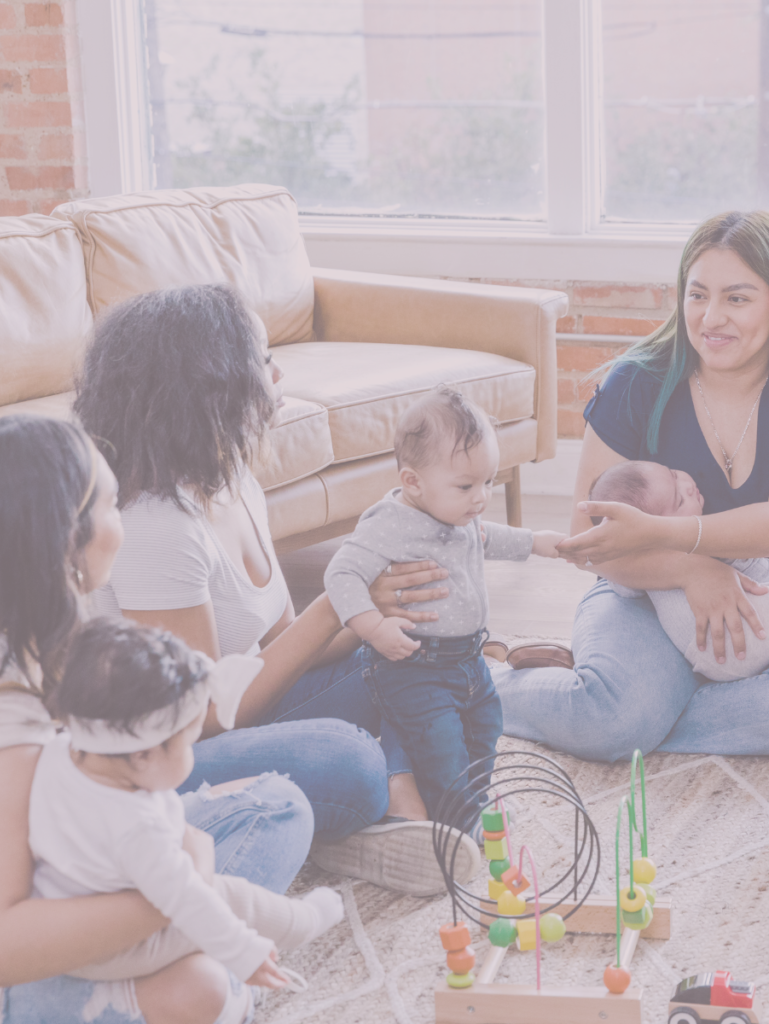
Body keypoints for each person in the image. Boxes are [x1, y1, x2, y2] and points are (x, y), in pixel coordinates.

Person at [76, 284, 481, 895]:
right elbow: (202, 719)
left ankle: (383, 816)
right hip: (163, 760)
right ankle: (354, 811)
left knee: (424, 652)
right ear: (212, 384)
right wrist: (332, 607)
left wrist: (372, 607)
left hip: (249, 717)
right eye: (263, 358)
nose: (279, 370)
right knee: (349, 761)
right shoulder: (155, 524)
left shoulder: (233, 480)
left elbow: (278, 647)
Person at [0, 415, 314, 1024]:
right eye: (112, 503)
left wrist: (180, 862)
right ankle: (222, 957)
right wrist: (173, 892)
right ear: (65, 539)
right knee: (200, 988)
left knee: (276, 805)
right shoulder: (0, 730)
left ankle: (211, 937)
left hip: (56, 866)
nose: (123, 524)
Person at [494, 209, 769, 760]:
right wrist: (692, 568)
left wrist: (675, 535)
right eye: (697, 295)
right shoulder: (639, 381)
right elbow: (586, 535)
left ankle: (643, 706)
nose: (711, 318)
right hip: (644, 589)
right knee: (612, 721)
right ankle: (470, 684)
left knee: (634, 715)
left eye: (737, 298)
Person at [27, 618, 343, 1003]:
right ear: (143, 753)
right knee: (228, 896)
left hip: (63, 928)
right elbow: (190, 899)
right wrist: (244, 953)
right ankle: (297, 926)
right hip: (115, 953)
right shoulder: (138, 827)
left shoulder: (61, 753)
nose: (191, 754)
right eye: (187, 744)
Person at [323, 387, 564, 826]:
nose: (481, 497)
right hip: (416, 668)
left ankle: (470, 804)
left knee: (485, 732)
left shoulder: (460, 513)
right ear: (413, 481)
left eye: (489, 482)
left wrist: (538, 543)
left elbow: (489, 535)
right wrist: (373, 628)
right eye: (467, 485)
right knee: (441, 747)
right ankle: (456, 827)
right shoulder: (391, 523)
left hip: (470, 661)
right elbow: (341, 574)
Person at [587, 460, 769, 682]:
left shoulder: (638, 576)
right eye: (680, 501)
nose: (688, 486)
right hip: (737, 644)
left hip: (712, 660)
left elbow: (623, 586)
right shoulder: (672, 557)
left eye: (673, 474)